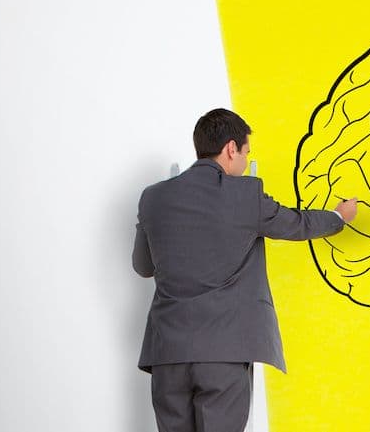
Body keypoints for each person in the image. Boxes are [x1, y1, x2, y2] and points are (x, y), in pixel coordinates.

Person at [132, 108, 358, 432]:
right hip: (224, 353)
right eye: (246, 151)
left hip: (168, 354)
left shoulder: (153, 197)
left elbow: (143, 266)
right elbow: (296, 224)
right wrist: (338, 217)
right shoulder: (244, 194)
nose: (244, 160)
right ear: (230, 149)